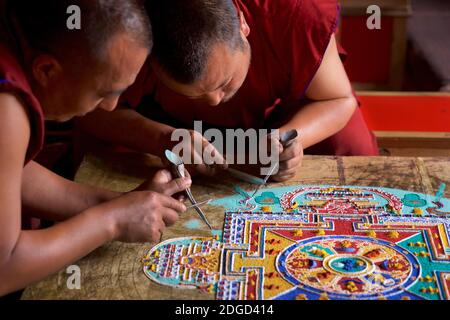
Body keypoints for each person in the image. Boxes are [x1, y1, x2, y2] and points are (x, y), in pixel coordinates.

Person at [0, 0, 190, 297]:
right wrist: (112, 221)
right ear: (47, 70)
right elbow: (5, 268)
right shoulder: (6, 108)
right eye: (105, 92)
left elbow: (14, 175)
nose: (112, 106)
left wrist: (123, 203)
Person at [78, 0, 379, 182]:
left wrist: (290, 139)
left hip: (279, 114)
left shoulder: (294, 11)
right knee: (99, 161)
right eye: (194, 93)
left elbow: (338, 99)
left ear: (244, 26)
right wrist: (161, 138)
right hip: (172, 124)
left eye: (224, 83)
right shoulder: (132, 27)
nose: (214, 101)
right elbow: (89, 111)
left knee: (350, 145)